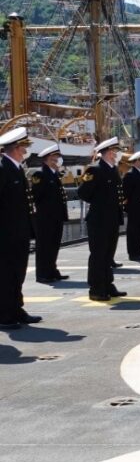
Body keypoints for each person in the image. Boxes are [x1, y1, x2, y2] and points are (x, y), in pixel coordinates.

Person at [0, 127, 42, 328]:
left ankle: (16, 308)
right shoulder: (2, 169)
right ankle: (4, 314)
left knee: (18, 272)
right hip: (6, 233)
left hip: (19, 231)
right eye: (24, 148)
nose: (26, 152)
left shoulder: (16, 168)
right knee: (6, 274)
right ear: (16, 148)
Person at [77, 137, 127, 301]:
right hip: (98, 220)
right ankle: (96, 288)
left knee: (108, 255)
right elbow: (83, 193)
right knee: (98, 255)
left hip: (112, 219)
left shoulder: (113, 169)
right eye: (115, 151)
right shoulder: (95, 170)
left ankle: (107, 284)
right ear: (108, 152)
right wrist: (100, 203)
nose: (117, 154)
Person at [31, 144, 69, 284]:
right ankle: (42, 273)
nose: (57, 160)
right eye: (55, 158)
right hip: (45, 218)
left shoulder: (54, 174)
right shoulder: (40, 174)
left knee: (54, 245)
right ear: (48, 159)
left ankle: (52, 270)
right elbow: (36, 196)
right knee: (44, 246)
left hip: (56, 217)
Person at [123, 150, 140, 262]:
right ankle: (133, 252)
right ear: (136, 161)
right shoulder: (130, 174)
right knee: (133, 231)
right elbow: (126, 193)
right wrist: (128, 206)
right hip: (134, 207)